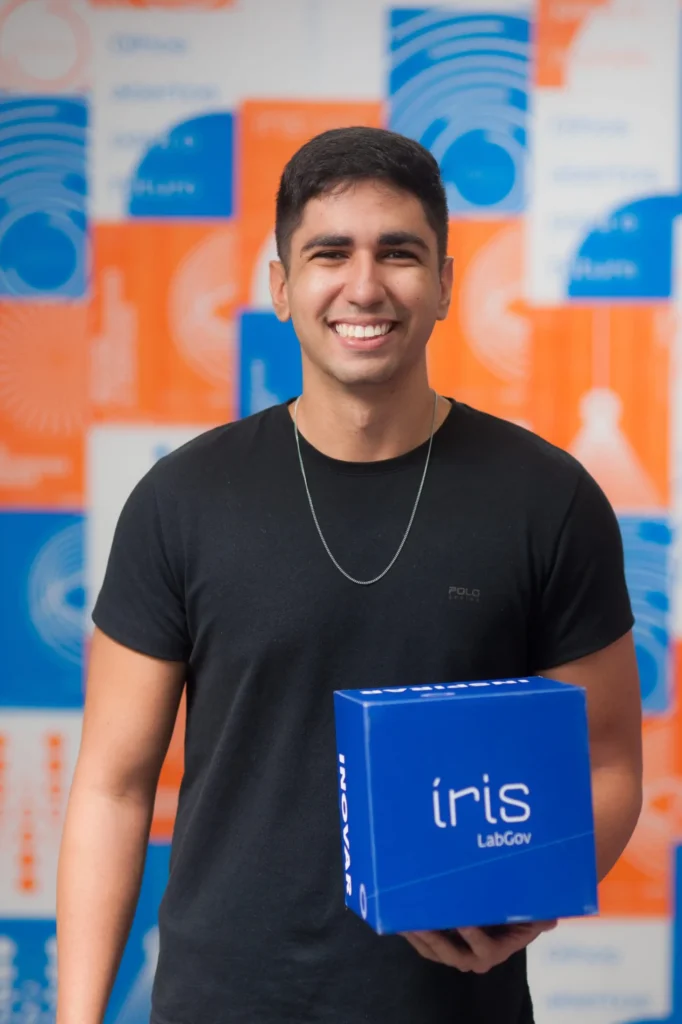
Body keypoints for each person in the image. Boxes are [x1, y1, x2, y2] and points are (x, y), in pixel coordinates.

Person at [56, 126, 643, 1024]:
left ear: (445, 284)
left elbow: (606, 763)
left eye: (398, 253)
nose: (364, 286)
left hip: (455, 1005)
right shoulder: (181, 499)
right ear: (280, 287)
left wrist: (527, 899)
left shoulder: (548, 499)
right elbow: (112, 786)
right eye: (329, 253)